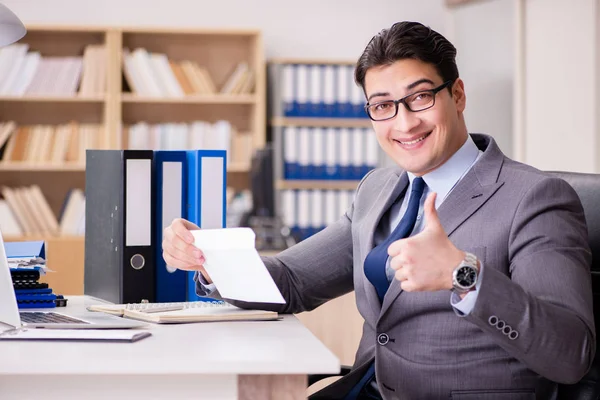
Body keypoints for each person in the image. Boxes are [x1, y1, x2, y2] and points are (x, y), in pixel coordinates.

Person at [162, 21, 595, 399]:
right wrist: (211, 258)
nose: (404, 124)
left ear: (458, 95)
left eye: (420, 97)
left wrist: (464, 275)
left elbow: (569, 354)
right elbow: (292, 283)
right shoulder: (377, 189)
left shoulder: (535, 197)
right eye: (383, 106)